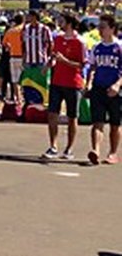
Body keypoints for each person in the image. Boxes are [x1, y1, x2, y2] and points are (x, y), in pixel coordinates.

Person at [43, 13, 86, 159]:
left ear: (69, 23)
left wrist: (65, 60)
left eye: (62, 21)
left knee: (72, 117)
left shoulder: (80, 42)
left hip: (73, 83)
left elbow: (81, 65)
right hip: (57, 81)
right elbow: (54, 56)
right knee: (52, 114)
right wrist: (49, 64)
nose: (59, 23)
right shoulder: (58, 39)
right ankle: (53, 146)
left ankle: (69, 148)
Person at [87, 13, 121, 165]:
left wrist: (118, 84)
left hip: (115, 89)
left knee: (115, 123)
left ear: (112, 29)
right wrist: (89, 82)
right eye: (99, 27)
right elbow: (92, 66)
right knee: (97, 122)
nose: (100, 30)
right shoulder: (97, 48)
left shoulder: (119, 47)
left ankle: (113, 153)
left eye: (103, 27)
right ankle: (96, 150)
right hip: (99, 88)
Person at [2, 14, 25, 105]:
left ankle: (17, 99)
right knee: (24, 79)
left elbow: (4, 43)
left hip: (13, 56)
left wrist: (10, 47)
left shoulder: (10, 31)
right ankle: (23, 98)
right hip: (23, 57)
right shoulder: (24, 30)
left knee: (15, 80)